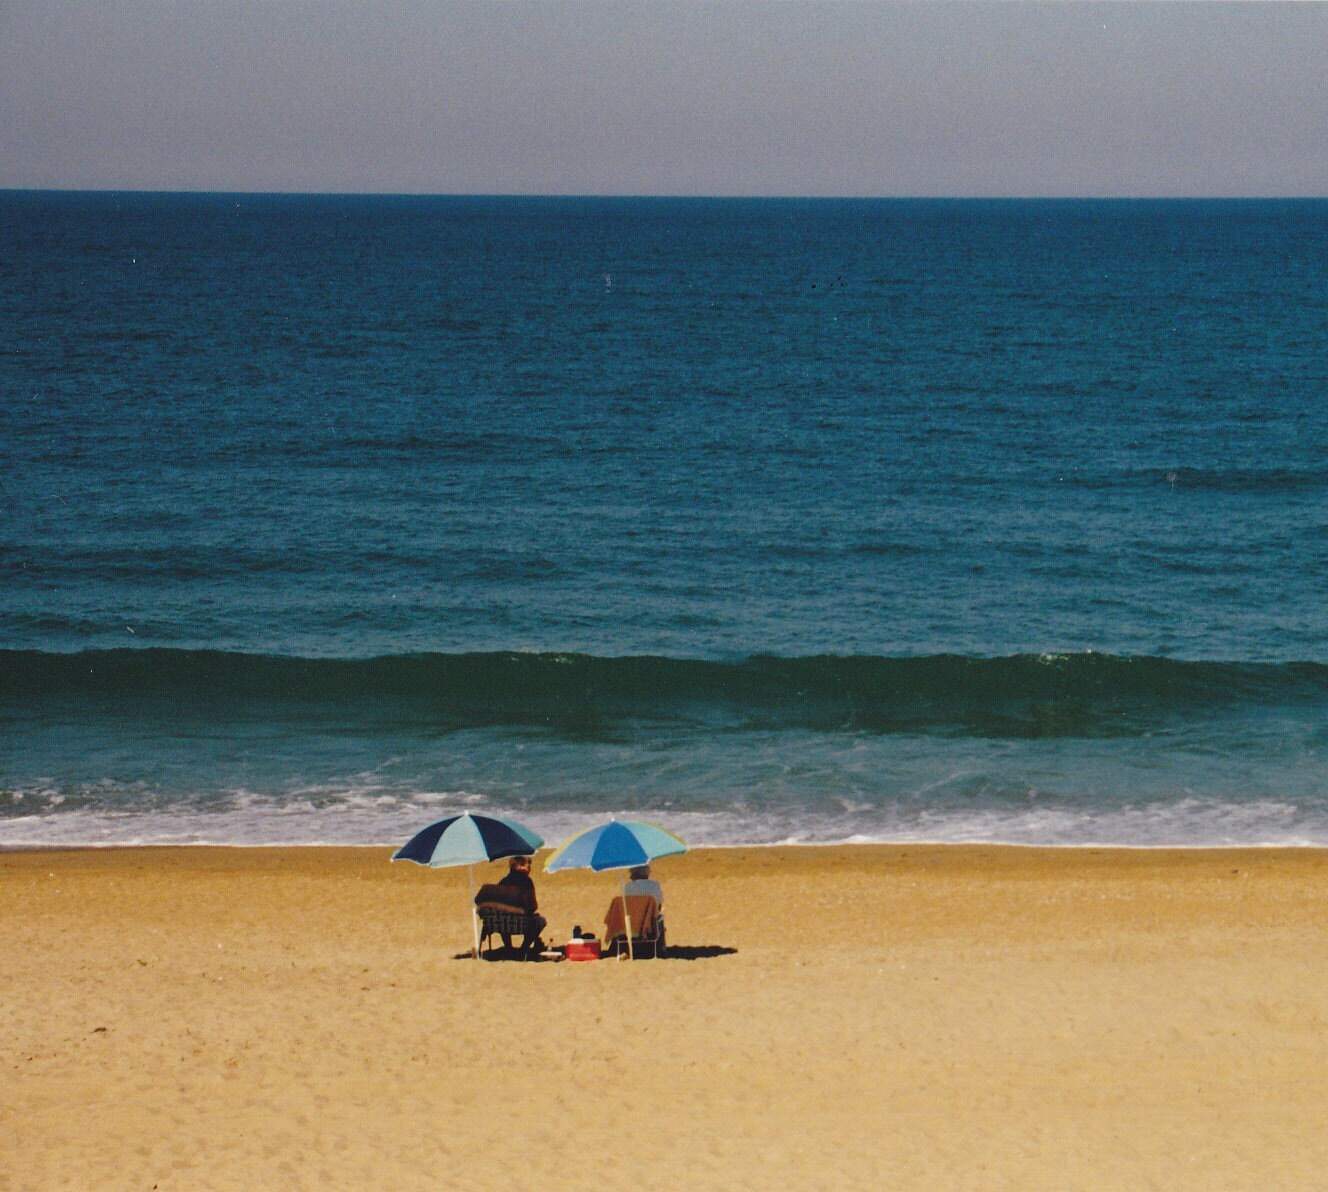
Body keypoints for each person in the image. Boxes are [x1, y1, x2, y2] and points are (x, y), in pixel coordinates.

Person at [496, 854, 547, 957]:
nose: (530, 870)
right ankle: (523, 948)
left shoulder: (502, 882)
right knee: (540, 921)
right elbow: (533, 906)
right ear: (518, 867)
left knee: (504, 915)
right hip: (521, 924)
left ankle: (508, 947)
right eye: (528, 867)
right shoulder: (527, 883)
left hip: (501, 924)